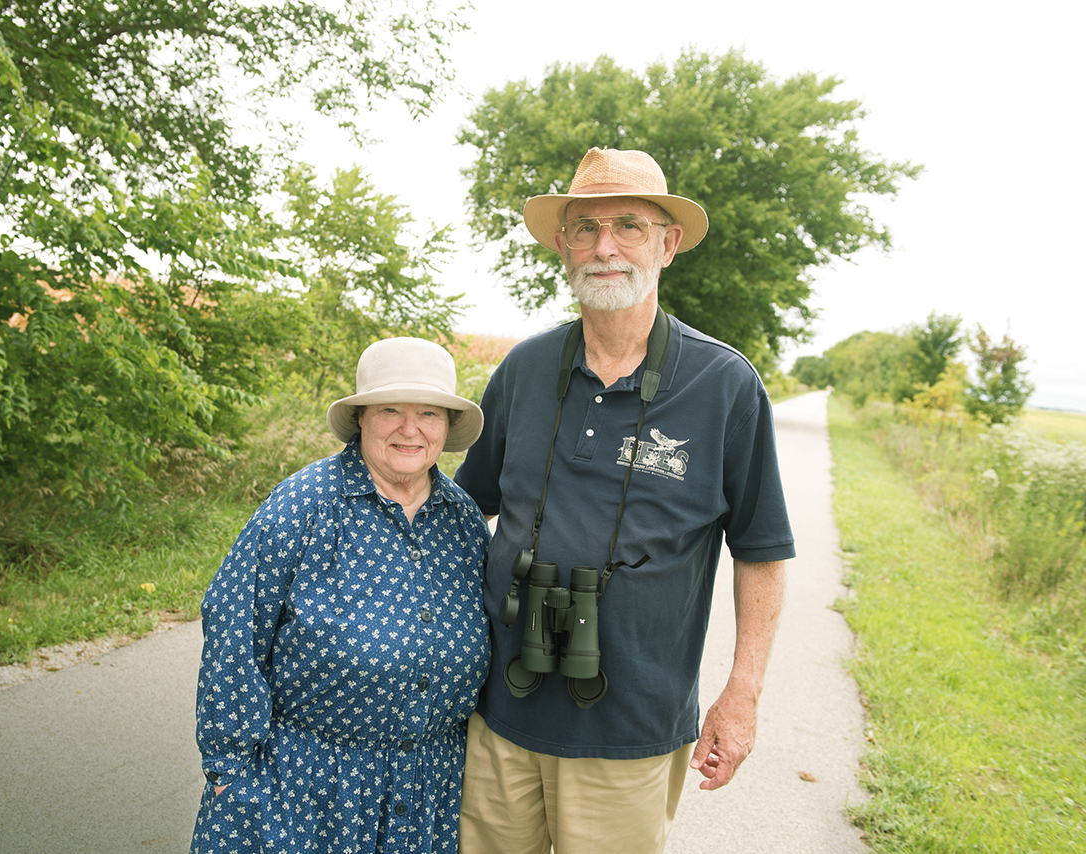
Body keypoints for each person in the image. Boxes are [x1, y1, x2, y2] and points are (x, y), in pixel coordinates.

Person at [453, 147, 795, 854]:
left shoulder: (725, 385)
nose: (604, 247)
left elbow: (761, 550)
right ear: (561, 243)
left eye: (629, 226)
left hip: (631, 731)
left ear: (667, 244)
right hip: (500, 718)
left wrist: (743, 694)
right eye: (585, 227)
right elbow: (461, 511)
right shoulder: (524, 368)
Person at [190, 336, 492, 854]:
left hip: (430, 793)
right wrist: (229, 769)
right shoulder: (304, 505)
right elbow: (233, 623)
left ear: (446, 426)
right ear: (361, 419)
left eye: (428, 413)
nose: (410, 428)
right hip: (307, 790)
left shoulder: (463, 520)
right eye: (390, 410)